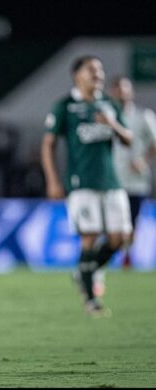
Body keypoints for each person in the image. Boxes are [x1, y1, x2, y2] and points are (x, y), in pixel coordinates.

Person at [40, 55, 133, 316]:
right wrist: (53, 180)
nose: (98, 74)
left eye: (101, 69)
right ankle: (92, 300)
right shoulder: (66, 106)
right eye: (92, 69)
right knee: (90, 238)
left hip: (111, 181)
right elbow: (48, 144)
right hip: (81, 183)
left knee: (120, 239)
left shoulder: (109, 104)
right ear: (77, 75)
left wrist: (112, 123)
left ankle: (83, 271)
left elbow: (129, 139)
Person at [110, 76, 156, 269]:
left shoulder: (143, 116)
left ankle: (127, 257)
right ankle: (112, 254)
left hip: (136, 181)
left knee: (131, 223)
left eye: (125, 88)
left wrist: (142, 160)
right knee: (113, 224)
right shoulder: (105, 118)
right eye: (118, 89)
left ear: (131, 92)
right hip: (111, 180)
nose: (121, 92)